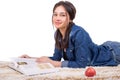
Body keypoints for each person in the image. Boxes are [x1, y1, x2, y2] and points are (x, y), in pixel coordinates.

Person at [20, 1, 120, 68]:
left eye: (62, 15)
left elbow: (82, 64)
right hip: (105, 47)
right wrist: (32, 59)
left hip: (113, 53)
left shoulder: (79, 33)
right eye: (55, 14)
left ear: (71, 18)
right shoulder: (58, 34)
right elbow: (56, 58)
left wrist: (54, 64)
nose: (57, 18)